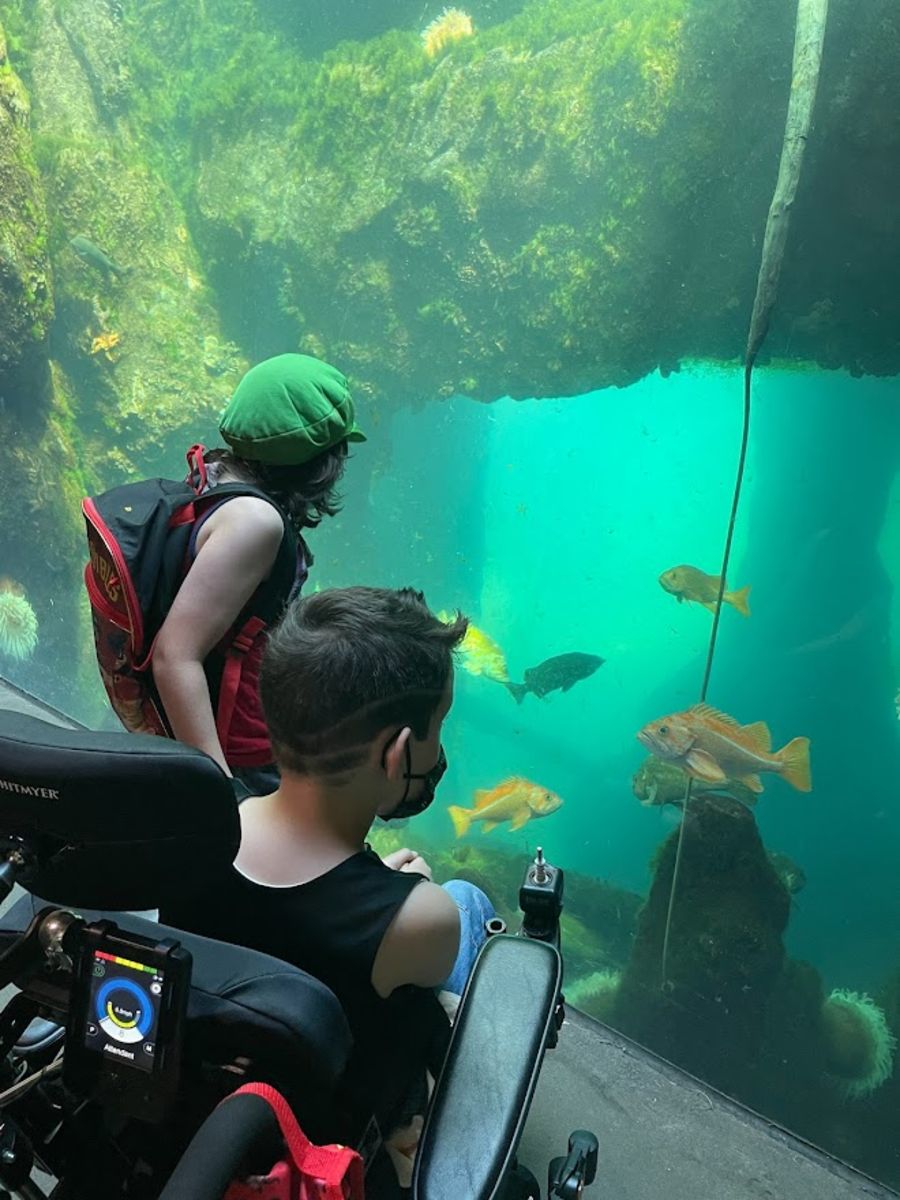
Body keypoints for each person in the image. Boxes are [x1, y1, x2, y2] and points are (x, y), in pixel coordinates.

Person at [160, 586, 496, 1146]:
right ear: (397, 753)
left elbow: (290, 912)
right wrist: (397, 897)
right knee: (468, 900)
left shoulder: (195, 832)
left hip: (221, 1097)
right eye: (439, 730)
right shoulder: (422, 919)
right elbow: (354, 926)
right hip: (329, 1131)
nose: (439, 754)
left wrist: (373, 885)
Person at [151, 353, 365, 795]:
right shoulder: (255, 522)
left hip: (213, 735)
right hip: (234, 755)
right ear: (325, 461)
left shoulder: (215, 477)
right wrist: (220, 794)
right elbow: (175, 656)